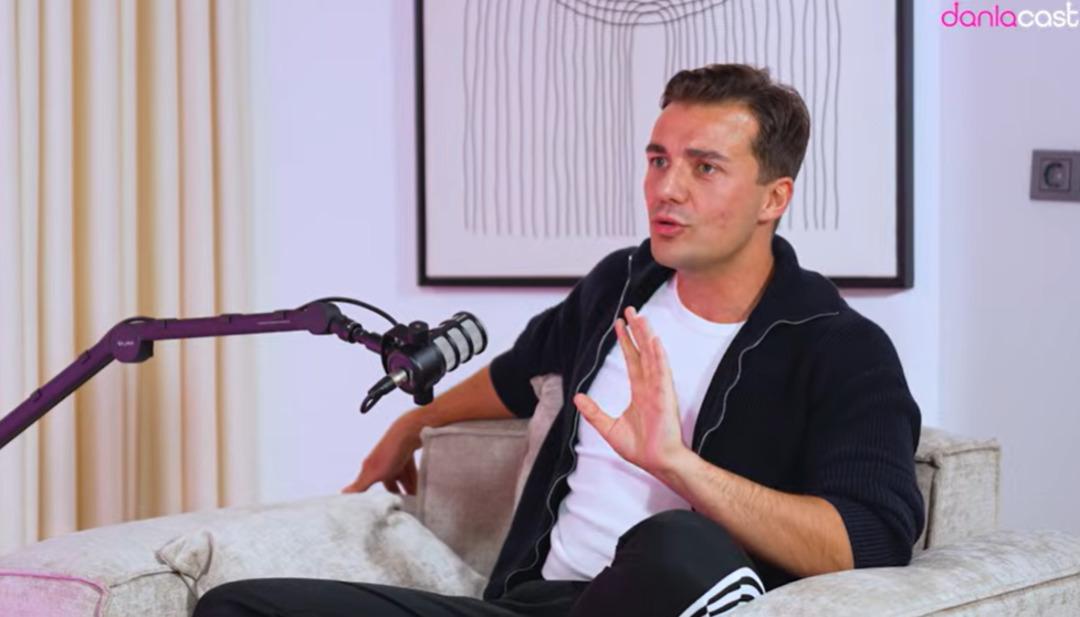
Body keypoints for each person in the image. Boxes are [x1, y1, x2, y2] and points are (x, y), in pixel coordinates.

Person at [194, 63, 924, 617]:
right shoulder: (620, 284)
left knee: (679, 541)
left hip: (664, 597)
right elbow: (518, 374)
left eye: (704, 167)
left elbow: (868, 539)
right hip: (533, 603)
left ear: (774, 198)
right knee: (239, 605)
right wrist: (413, 424)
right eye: (658, 160)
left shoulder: (840, 347)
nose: (666, 189)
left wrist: (677, 464)